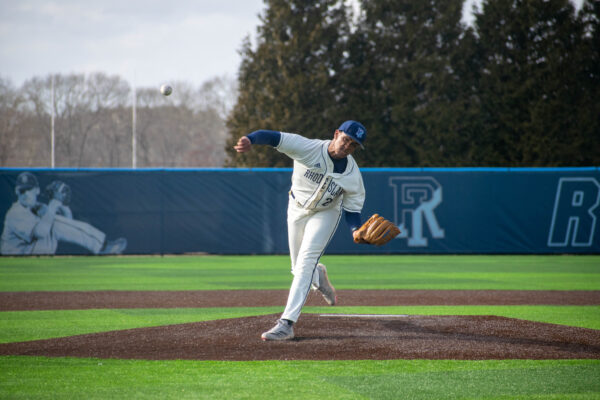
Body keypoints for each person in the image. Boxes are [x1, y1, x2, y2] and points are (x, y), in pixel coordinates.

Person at [234, 120, 368, 341]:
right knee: (298, 269)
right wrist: (250, 139)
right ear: (336, 134)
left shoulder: (353, 176)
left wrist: (355, 230)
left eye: (353, 145)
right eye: (346, 139)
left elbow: (352, 211)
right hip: (296, 208)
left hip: (326, 213)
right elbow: (274, 137)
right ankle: (320, 277)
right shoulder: (307, 148)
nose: (347, 146)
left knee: (306, 261)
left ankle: (286, 323)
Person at [1, 172, 127, 255]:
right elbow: (41, 232)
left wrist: (63, 207)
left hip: (29, 251)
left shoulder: (37, 207)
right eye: (21, 191)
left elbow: (69, 226)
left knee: (54, 221)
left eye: (28, 189)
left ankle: (102, 245)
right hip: (14, 254)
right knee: (53, 223)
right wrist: (53, 205)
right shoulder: (15, 213)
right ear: (17, 192)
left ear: (37, 190)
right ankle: (102, 247)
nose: (25, 194)